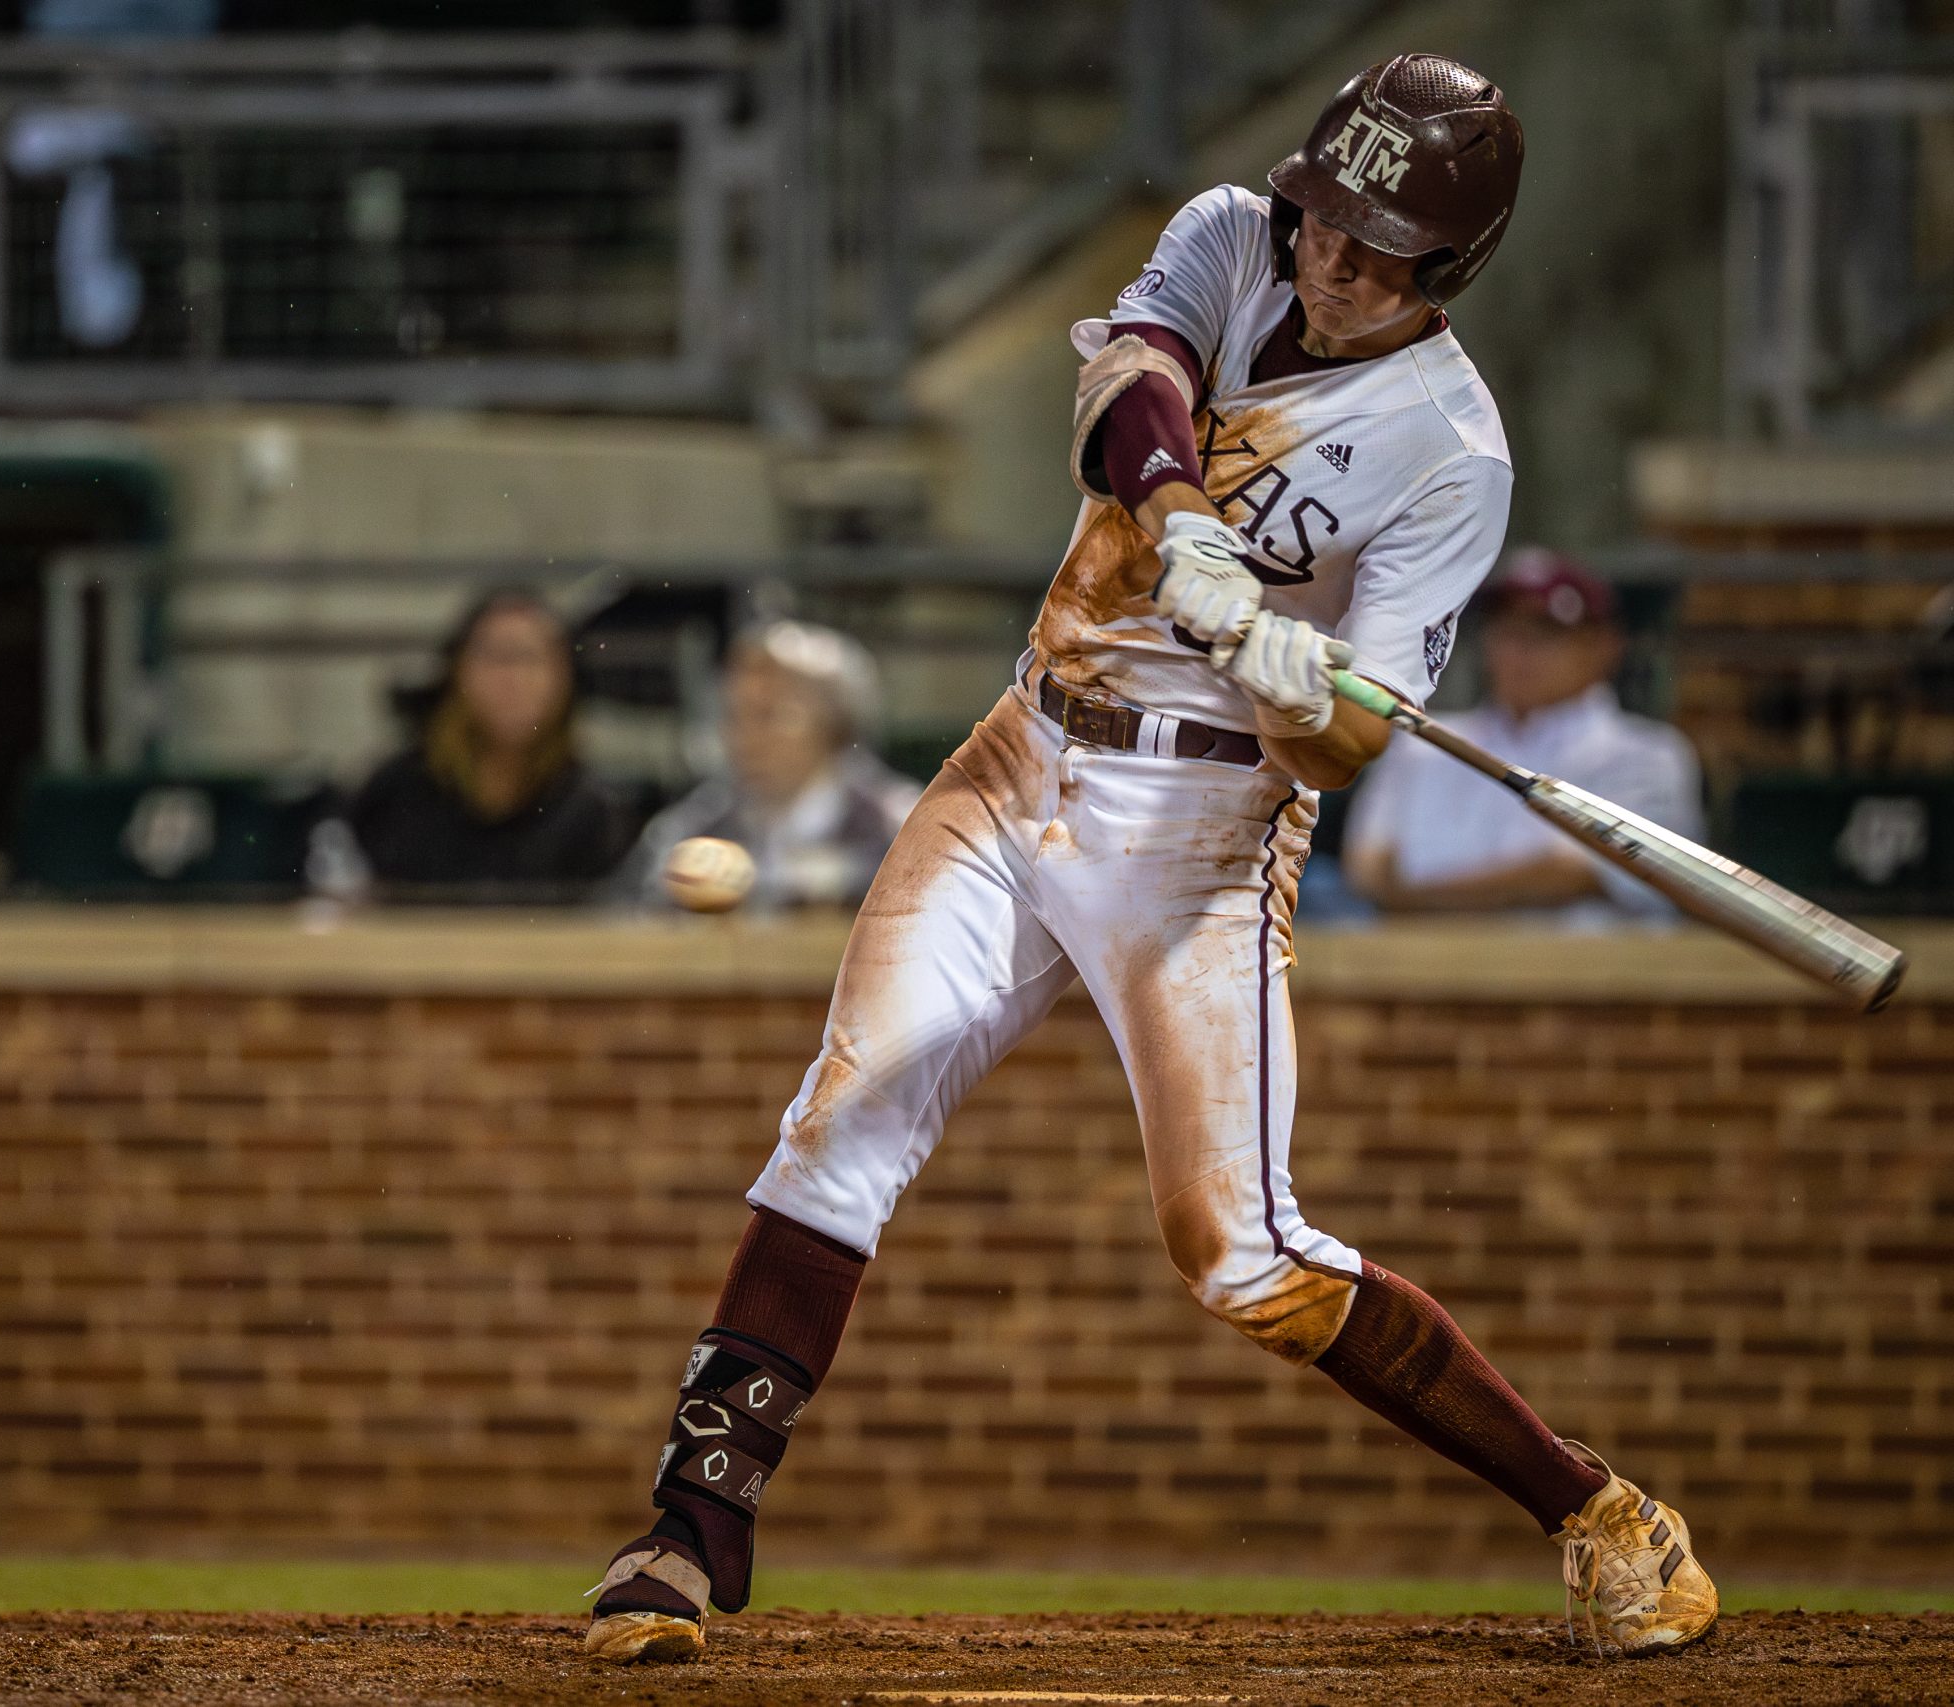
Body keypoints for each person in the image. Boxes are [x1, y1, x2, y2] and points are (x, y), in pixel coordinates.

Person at [584, 57, 1715, 1667]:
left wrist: (1286, 670)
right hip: (1021, 750)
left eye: (1380, 247)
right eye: (1329, 217)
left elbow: (1358, 743)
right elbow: (1127, 376)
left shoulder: (1453, 454)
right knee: (845, 1110)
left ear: (1449, 269)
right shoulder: (1232, 232)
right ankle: (686, 1536)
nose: (1333, 259)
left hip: (1200, 836)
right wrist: (1184, 520)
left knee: (1238, 1255)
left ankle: (1599, 1509)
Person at [1345, 550, 1705, 922]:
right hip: (1418, 973)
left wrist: (1415, 901)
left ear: (1603, 646)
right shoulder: (1423, 741)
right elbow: (1366, 868)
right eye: (1506, 630)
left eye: (1546, 632)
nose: (1519, 650)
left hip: (1588, 976)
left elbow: (1575, 875)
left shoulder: (1648, 754)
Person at [336, 590, 632, 902]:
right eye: (496, 656)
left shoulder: (591, 814)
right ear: (457, 669)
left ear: (565, 677)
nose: (513, 678)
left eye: (531, 657)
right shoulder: (394, 794)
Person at [618, 622, 921, 911]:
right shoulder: (693, 830)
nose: (746, 736)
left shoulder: (900, 829)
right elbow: (632, 925)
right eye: (735, 715)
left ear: (834, 725)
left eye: (769, 715)